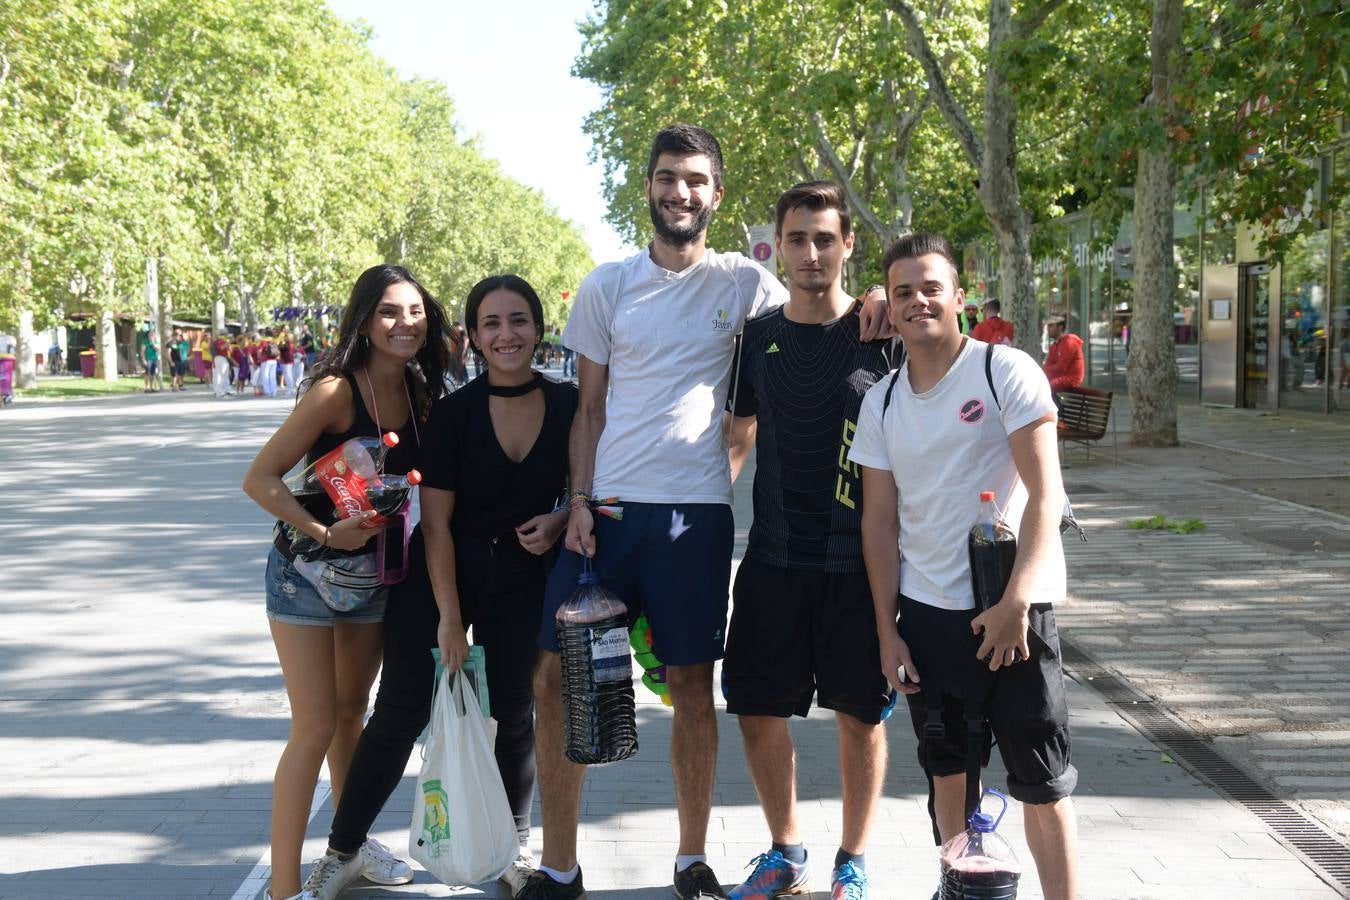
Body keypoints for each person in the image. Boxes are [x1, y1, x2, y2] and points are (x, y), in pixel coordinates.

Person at [525, 124, 889, 900]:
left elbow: (817, 306)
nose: (679, 192)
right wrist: (579, 503)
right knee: (555, 680)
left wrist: (883, 298)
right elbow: (587, 410)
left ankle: (692, 859)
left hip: (695, 519)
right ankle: (559, 867)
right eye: (667, 177)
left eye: (695, 180)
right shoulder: (606, 285)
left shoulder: (743, 285)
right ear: (648, 187)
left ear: (716, 196)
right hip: (610, 514)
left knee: (693, 687)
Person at [305, 274, 575, 900]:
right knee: (400, 712)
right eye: (491, 323)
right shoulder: (452, 413)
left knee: (513, 712)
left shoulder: (567, 404)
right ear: (472, 337)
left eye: (518, 321)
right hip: (442, 574)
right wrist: (449, 621)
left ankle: (512, 847)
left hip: (521, 578)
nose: (506, 334)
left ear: (538, 328)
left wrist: (563, 514)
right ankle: (342, 852)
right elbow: (437, 527)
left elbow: (586, 483)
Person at [849, 233, 1078, 900]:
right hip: (926, 618)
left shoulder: (1003, 371)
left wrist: (1015, 604)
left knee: (1041, 784)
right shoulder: (881, 401)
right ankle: (963, 888)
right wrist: (888, 630)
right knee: (948, 774)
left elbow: (1046, 493)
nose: (917, 300)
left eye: (930, 287)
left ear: (958, 297)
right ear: (888, 307)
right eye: (902, 292)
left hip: (1013, 613)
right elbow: (879, 522)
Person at [242, 264, 450, 900]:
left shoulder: (420, 393)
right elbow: (260, 479)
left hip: (370, 583)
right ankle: (283, 889)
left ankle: (348, 848)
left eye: (415, 311)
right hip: (304, 574)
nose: (404, 323)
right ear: (364, 320)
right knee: (314, 725)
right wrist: (327, 531)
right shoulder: (335, 391)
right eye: (389, 311)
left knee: (352, 714)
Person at [723, 181, 896, 900]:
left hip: (859, 567)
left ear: (849, 244)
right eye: (797, 239)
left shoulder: (882, 332)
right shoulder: (756, 338)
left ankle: (851, 860)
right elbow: (737, 439)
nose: (811, 252)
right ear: (779, 245)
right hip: (770, 560)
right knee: (757, 710)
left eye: (826, 238)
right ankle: (785, 851)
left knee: (860, 716)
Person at [1042, 315, 1084, 391]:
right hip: (1059, 378)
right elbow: (1047, 366)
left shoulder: (1070, 341)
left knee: (1044, 387)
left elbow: (1061, 368)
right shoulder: (1054, 345)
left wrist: (1045, 370)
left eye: (1051, 325)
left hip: (1071, 379)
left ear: (1060, 327)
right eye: (1048, 326)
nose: (1048, 329)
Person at [212, 331, 233, 399]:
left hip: (224, 358)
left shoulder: (224, 341)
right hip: (220, 357)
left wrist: (228, 343)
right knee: (221, 375)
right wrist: (227, 342)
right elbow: (221, 348)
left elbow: (230, 350)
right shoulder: (219, 340)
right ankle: (220, 392)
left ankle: (226, 390)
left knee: (225, 375)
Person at [168, 327, 190, 392]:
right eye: (177, 335)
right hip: (173, 360)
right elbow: (168, 353)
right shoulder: (170, 343)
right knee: (174, 374)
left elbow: (184, 349)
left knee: (180, 373)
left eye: (179, 335)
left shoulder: (179, 343)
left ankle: (179, 385)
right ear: (173, 336)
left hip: (180, 360)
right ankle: (174, 386)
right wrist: (171, 361)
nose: (178, 337)